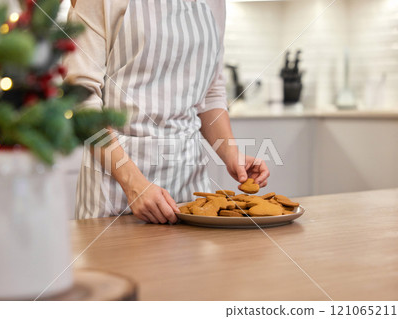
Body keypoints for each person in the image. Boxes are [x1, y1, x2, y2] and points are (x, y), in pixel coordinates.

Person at [64, 0, 270, 222]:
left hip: (191, 189)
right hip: (117, 191)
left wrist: (232, 154)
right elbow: (79, 97)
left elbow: (210, 92)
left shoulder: (215, 3)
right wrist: (133, 183)